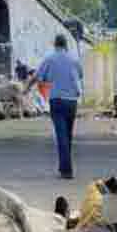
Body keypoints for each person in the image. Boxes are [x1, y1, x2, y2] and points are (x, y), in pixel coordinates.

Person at [26, 34, 83, 179]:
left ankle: (66, 170)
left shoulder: (50, 59)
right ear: (66, 45)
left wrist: (26, 88)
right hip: (72, 101)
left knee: (61, 135)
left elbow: (38, 77)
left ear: (55, 45)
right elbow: (80, 75)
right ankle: (64, 167)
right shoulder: (75, 59)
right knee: (67, 135)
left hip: (57, 100)